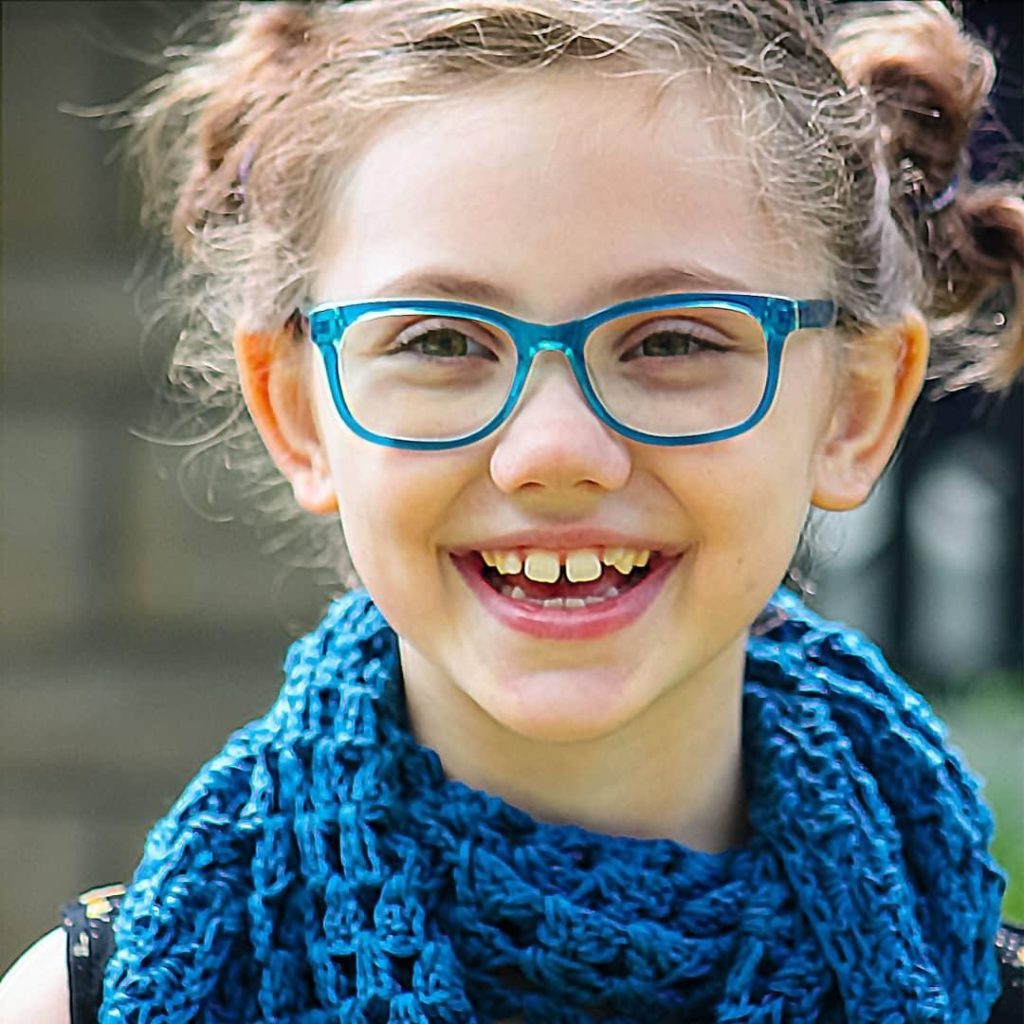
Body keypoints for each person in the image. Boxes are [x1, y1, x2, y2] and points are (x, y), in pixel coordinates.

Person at [1, 1, 1022, 1021]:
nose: (554, 455)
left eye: (671, 341)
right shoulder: (83, 1003)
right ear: (297, 408)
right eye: (442, 342)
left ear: (855, 405)